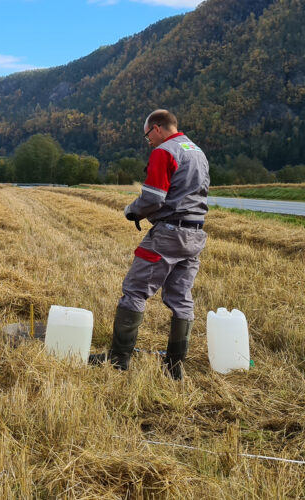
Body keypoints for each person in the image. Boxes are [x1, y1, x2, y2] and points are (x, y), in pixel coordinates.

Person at [92, 109, 209, 380]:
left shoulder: (165, 151)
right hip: (195, 235)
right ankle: (174, 367)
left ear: (157, 128)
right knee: (181, 298)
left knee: (134, 290)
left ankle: (118, 359)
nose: (149, 143)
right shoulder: (197, 152)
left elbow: (153, 199)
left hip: (168, 233)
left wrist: (132, 210)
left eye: (148, 137)